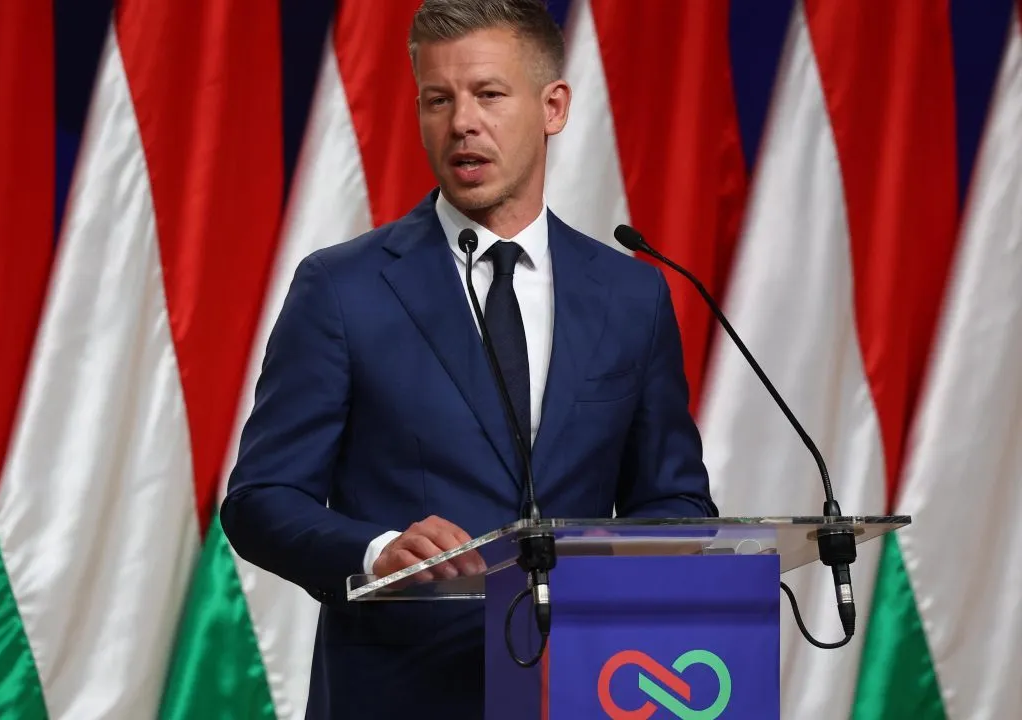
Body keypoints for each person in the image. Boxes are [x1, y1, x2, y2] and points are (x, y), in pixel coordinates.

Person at [220, 0, 717, 716]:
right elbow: (262, 500)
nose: (461, 123)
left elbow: (672, 498)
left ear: (553, 107)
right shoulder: (343, 288)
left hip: (587, 686)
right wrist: (375, 551)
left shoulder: (631, 293)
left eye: (488, 94)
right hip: (401, 693)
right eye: (437, 99)